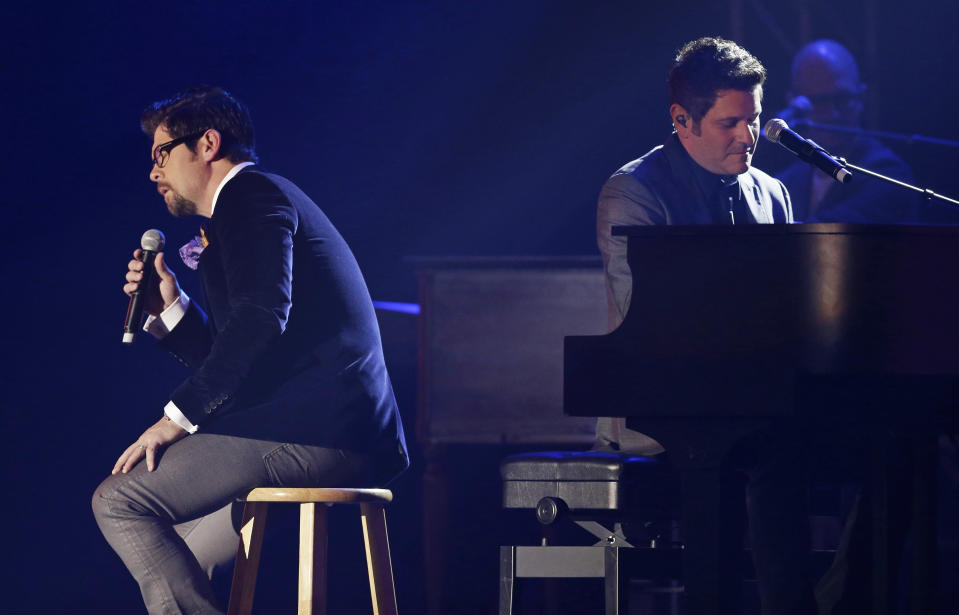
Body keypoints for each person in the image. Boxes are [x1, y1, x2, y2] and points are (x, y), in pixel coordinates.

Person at [92, 86, 408, 615]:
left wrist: (177, 417)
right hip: (311, 425)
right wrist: (169, 308)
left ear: (208, 143)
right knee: (187, 553)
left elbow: (261, 320)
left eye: (161, 154)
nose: (153, 172)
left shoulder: (251, 196)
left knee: (120, 501)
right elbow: (243, 353)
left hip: (318, 428)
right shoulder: (245, 207)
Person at [594, 38, 814, 615]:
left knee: (882, 445)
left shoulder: (774, 193)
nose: (748, 137)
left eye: (756, 120)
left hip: (758, 396)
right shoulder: (633, 191)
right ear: (682, 120)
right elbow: (655, 323)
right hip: (663, 405)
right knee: (767, 445)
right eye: (730, 123)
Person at [776, 39, 921, 223]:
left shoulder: (888, 174)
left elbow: (827, 235)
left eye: (841, 99)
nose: (832, 113)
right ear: (794, 102)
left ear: (861, 98)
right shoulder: (788, 180)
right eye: (819, 101)